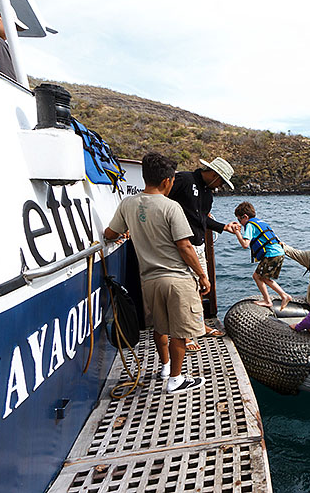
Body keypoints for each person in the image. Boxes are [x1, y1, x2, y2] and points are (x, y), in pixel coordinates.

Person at [103, 152, 208, 394]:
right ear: (167, 181)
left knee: (160, 327)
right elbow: (185, 246)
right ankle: (176, 379)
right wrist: (202, 275)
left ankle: (165, 367)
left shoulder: (127, 204)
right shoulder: (171, 207)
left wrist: (123, 234)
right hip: (177, 279)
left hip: (148, 280)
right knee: (180, 332)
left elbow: (110, 233)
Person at [167, 157, 238, 343]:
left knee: (201, 288)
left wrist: (224, 227)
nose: (220, 186)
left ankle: (198, 325)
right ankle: (185, 333)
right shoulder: (184, 179)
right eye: (221, 181)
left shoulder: (208, 194)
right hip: (178, 245)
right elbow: (162, 202)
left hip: (198, 246)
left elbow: (203, 220)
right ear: (214, 174)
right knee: (184, 290)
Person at [232, 201, 293, 310]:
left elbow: (245, 244)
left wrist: (237, 232)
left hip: (271, 254)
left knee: (257, 276)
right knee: (264, 277)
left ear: (245, 217)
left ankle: (269, 300)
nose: (240, 223)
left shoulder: (250, 225)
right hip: (279, 252)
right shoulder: (260, 222)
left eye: (239, 219)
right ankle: (283, 296)